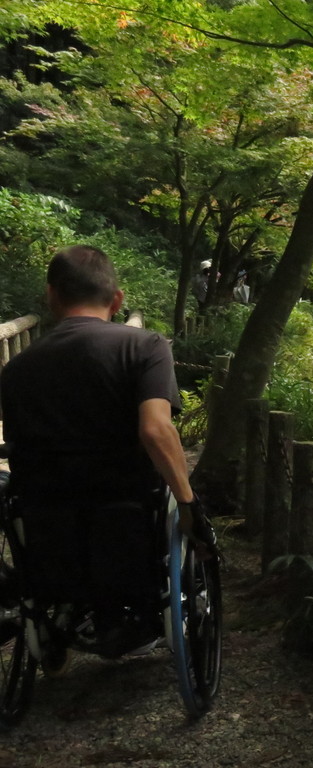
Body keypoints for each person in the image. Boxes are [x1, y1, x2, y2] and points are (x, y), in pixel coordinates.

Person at [0, 245, 215, 648]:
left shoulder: (16, 369)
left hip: (48, 520)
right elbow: (155, 431)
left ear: (51, 296)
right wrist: (188, 503)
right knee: (162, 499)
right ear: (116, 300)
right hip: (127, 515)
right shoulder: (145, 347)